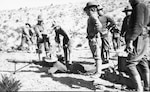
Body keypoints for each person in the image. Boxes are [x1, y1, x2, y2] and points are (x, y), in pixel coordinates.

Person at [125, 0, 150, 91]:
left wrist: (131, 40)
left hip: (138, 39)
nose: (129, 1)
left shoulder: (138, 7)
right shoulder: (144, 6)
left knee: (130, 64)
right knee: (142, 61)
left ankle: (139, 89)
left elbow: (138, 25)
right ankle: (147, 86)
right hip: (144, 38)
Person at [84, 2, 103, 78]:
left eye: (87, 10)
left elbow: (99, 26)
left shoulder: (92, 16)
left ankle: (98, 73)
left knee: (97, 56)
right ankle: (97, 71)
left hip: (94, 38)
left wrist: (94, 34)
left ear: (91, 9)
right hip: (94, 38)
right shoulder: (93, 16)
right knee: (96, 56)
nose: (86, 12)